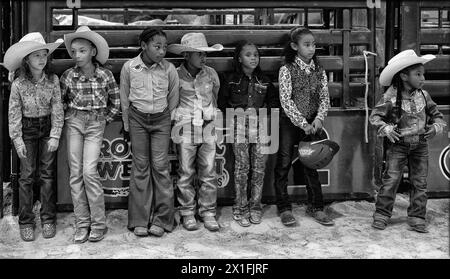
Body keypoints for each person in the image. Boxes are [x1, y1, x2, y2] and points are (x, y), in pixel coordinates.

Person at [369, 49, 447, 233]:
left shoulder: (424, 95)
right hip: (399, 145)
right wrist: (386, 128)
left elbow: (437, 115)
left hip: (420, 144)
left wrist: (436, 126)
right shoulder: (390, 96)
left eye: (423, 74)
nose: (422, 78)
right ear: (404, 76)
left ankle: (417, 216)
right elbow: (375, 117)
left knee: (419, 182)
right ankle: (381, 214)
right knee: (391, 180)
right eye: (418, 74)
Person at [60, 26, 120, 243]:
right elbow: (62, 100)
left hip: (95, 124)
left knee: (89, 171)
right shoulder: (68, 75)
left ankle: (98, 223)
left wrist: (105, 118)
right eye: (74, 51)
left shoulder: (104, 74)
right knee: (75, 173)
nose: (77, 55)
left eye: (82, 51)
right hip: (75, 123)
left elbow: (115, 100)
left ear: (93, 52)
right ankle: (82, 223)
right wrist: (71, 116)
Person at [2, 32, 64, 241]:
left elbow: (57, 109)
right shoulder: (19, 84)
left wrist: (55, 135)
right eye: (36, 55)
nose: (41, 59)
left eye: (44, 55)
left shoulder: (53, 81)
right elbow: (14, 113)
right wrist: (17, 139)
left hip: (47, 128)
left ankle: (48, 218)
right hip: (27, 129)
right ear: (26, 60)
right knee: (27, 176)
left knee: (47, 175)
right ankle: (26, 220)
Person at [120, 28, 179, 237]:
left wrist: (168, 120)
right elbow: (124, 98)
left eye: (164, 47)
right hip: (137, 119)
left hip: (161, 119)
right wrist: (127, 126)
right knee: (140, 167)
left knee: (161, 166)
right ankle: (139, 220)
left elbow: (173, 96)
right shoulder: (129, 68)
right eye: (157, 46)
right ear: (144, 46)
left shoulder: (169, 69)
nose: (162, 51)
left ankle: (163, 219)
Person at [273, 27, 334, 227]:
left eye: (314, 44)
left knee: (311, 162)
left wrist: (319, 119)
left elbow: (324, 97)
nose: (312, 48)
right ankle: (283, 207)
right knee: (283, 162)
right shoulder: (286, 69)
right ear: (294, 46)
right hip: (290, 123)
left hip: (311, 122)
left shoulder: (319, 69)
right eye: (306, 45)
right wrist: (303, 123)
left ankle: (316, 206)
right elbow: (286, 100)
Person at [218, 40, 279, 226]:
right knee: (241, 168)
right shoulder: (230, 79)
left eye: (256, 55)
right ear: (239, 58)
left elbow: (273, 103)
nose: (253, 58)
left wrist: (262, 117)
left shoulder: (265, 80)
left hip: (260, 126)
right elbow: (222, 103)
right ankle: (240, 207)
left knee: (259, 168)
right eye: (248, 55)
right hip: (237, 125)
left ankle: (256, 206)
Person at [168, 32, 222, 232]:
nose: (203, 57)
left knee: (208, 171)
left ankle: (208, 212)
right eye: (199, 54)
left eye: (204, 54)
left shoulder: (211, 74)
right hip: (185, 128)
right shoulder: (175, 74)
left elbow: (215, 96)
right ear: (187, 55)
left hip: (207, 126)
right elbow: (172, 99)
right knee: (185, 172)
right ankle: (187, 212)